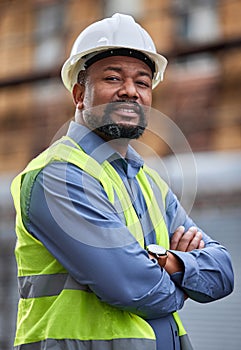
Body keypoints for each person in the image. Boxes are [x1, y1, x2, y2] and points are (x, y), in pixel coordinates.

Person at [11, 13, 234, 350]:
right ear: (78, 94)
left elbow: (223, 272)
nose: (130, 91)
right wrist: (187, 276)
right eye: (113, 78)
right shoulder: (59, 175)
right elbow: (137, 289)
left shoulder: (150, 183)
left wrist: (167, 263)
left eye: (142, 82)